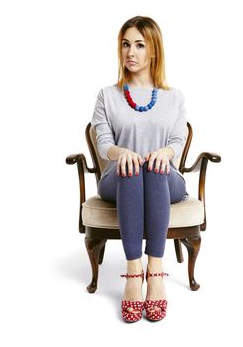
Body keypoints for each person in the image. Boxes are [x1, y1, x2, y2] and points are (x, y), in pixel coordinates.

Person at [90, 16, 189, 323]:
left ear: (153, 51)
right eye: (125, 44)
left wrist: (165, 152)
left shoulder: (174, 97)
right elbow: (104, 142)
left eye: (139, 45)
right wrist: (124, 154)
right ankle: (135, 272)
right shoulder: (108, 95)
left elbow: (177, 138)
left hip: (164, 178)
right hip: (118, 178)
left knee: (154, 168)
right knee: (132, 167)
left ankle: (155, 271)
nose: (130, 52)